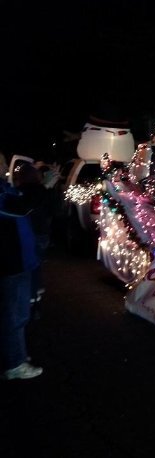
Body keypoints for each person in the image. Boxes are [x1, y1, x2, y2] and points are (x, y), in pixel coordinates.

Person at [0, 152, 43, 380]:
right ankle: (14, 363)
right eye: (3, 163)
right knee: (14, 315)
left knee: (17, 313)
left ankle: (16, 354)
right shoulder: (2, 191)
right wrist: (40, 185)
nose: (7, 167)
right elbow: (22, 207)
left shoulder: (5, 188)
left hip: (19, 260)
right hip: (11, 262)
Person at [13, 162, 60, 317]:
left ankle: (28, 302)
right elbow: (55, 210)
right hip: (41, 234)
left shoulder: (17, 192)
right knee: (36, 266)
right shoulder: (44, 191)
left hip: (24, 234)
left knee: (26, 268)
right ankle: (35, 302)